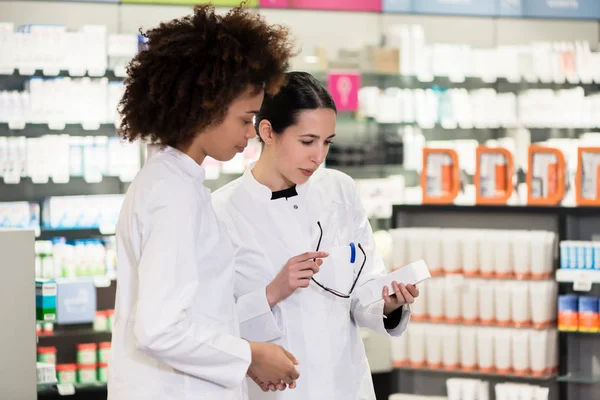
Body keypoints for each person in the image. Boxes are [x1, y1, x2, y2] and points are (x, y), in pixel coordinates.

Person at [108, 6, 301, 400]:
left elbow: (198, 311)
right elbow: (160, 328)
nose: (251, 134)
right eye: (246, 119)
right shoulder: (172, 195)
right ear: (206, 108)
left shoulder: (176, 182)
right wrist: (250, 356)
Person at [212, 71, 420, 399]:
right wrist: (271, 293)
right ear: (267, 131)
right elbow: (212, 328)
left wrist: (387, 304)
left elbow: (362, 287)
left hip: (344, 382)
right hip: (277, 389)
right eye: (307, 141)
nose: (318, 156)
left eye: (327, 142)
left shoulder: (340, 189)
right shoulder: (222, 211)